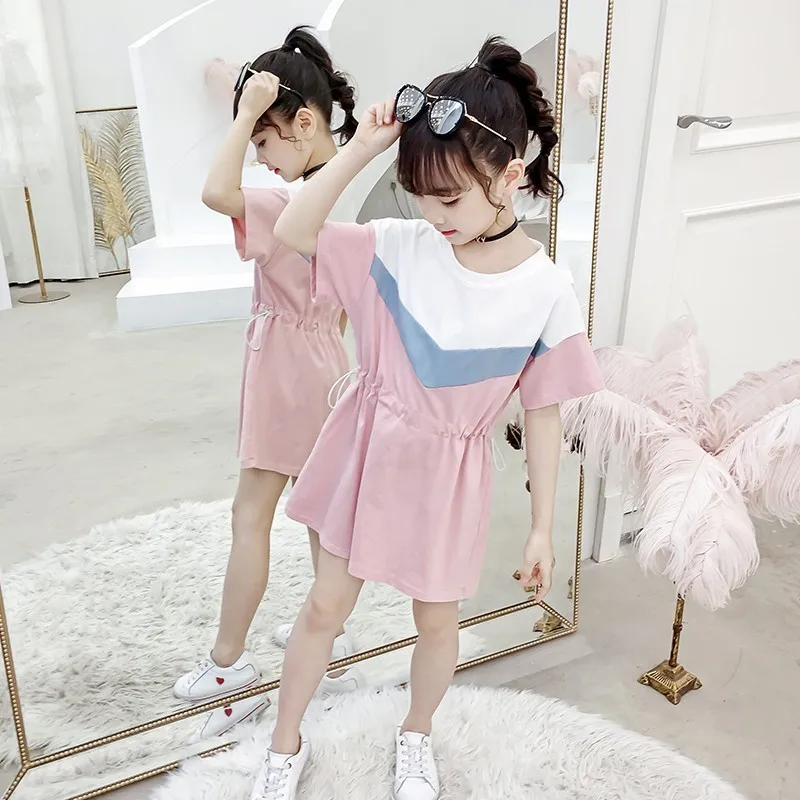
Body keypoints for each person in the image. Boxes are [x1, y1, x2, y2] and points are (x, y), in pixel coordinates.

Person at [250, 37, 605, 800]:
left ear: (510, 176)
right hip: (366, 449)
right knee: (325, 605)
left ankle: (416, 734)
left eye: (449, 199)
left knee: (438, 624)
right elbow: (293, 232)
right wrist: (362, 149)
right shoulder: (398, 246)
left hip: (449, 477)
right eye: (417, 193)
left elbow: (544, 412)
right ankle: (284, 744)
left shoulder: (546, 288)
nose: (430, 213)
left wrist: (542, 526)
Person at [172, 26, 364, 739]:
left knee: (251, 514)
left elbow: (214, 191)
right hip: (323, 363)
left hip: (288, 366)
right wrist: (252, 106)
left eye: (264, 140)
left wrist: (248, 107)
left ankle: (228, 667)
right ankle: (330, 635)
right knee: (316, 513)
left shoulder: (292, 205)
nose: (259, 154)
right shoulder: (339, 195)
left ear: (304, 124)